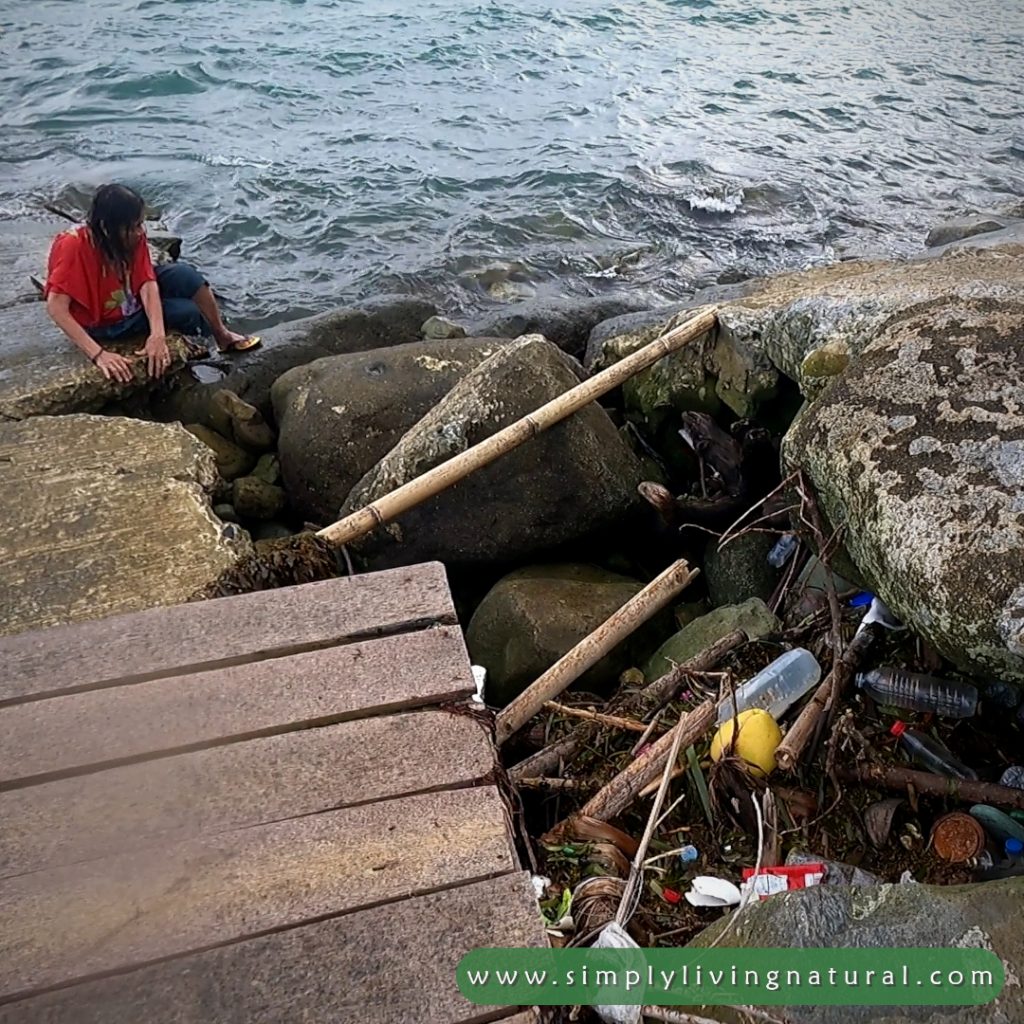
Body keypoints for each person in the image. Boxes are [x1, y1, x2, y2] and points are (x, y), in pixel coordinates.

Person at [44, 183, 260, 383]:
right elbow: (56, 308)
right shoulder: (73, 246)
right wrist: (98, 354)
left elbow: (147, 283)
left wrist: (157, 336)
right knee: (187, 312)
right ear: (106, 227)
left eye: (140, 224)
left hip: (128, 294)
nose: (140, 232)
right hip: (104, 321)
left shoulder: (133, 237)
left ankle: (221, 335)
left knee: (186, 275)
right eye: (132, 227)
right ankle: (199, 355)